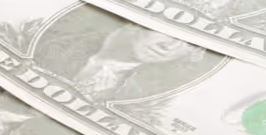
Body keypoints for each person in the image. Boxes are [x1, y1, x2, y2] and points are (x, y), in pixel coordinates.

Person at [70, 23, 208, 98]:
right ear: (134, 26)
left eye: (190, 44)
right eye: (170, 32)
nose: (170, 46)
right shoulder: (72, 36)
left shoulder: (147, 92)